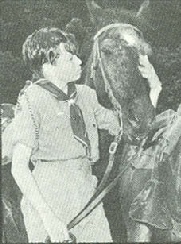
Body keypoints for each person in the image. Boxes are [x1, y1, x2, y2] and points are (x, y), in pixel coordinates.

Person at [9, 27, 122, 242]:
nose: (79, 62)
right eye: (70, 58)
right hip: (50, 197)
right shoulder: (32, 100)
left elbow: (122, 124)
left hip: (88, 196)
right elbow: (19, 167)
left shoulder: (86, 96)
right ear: (49, 64)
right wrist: (48, 218)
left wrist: (148, 95)